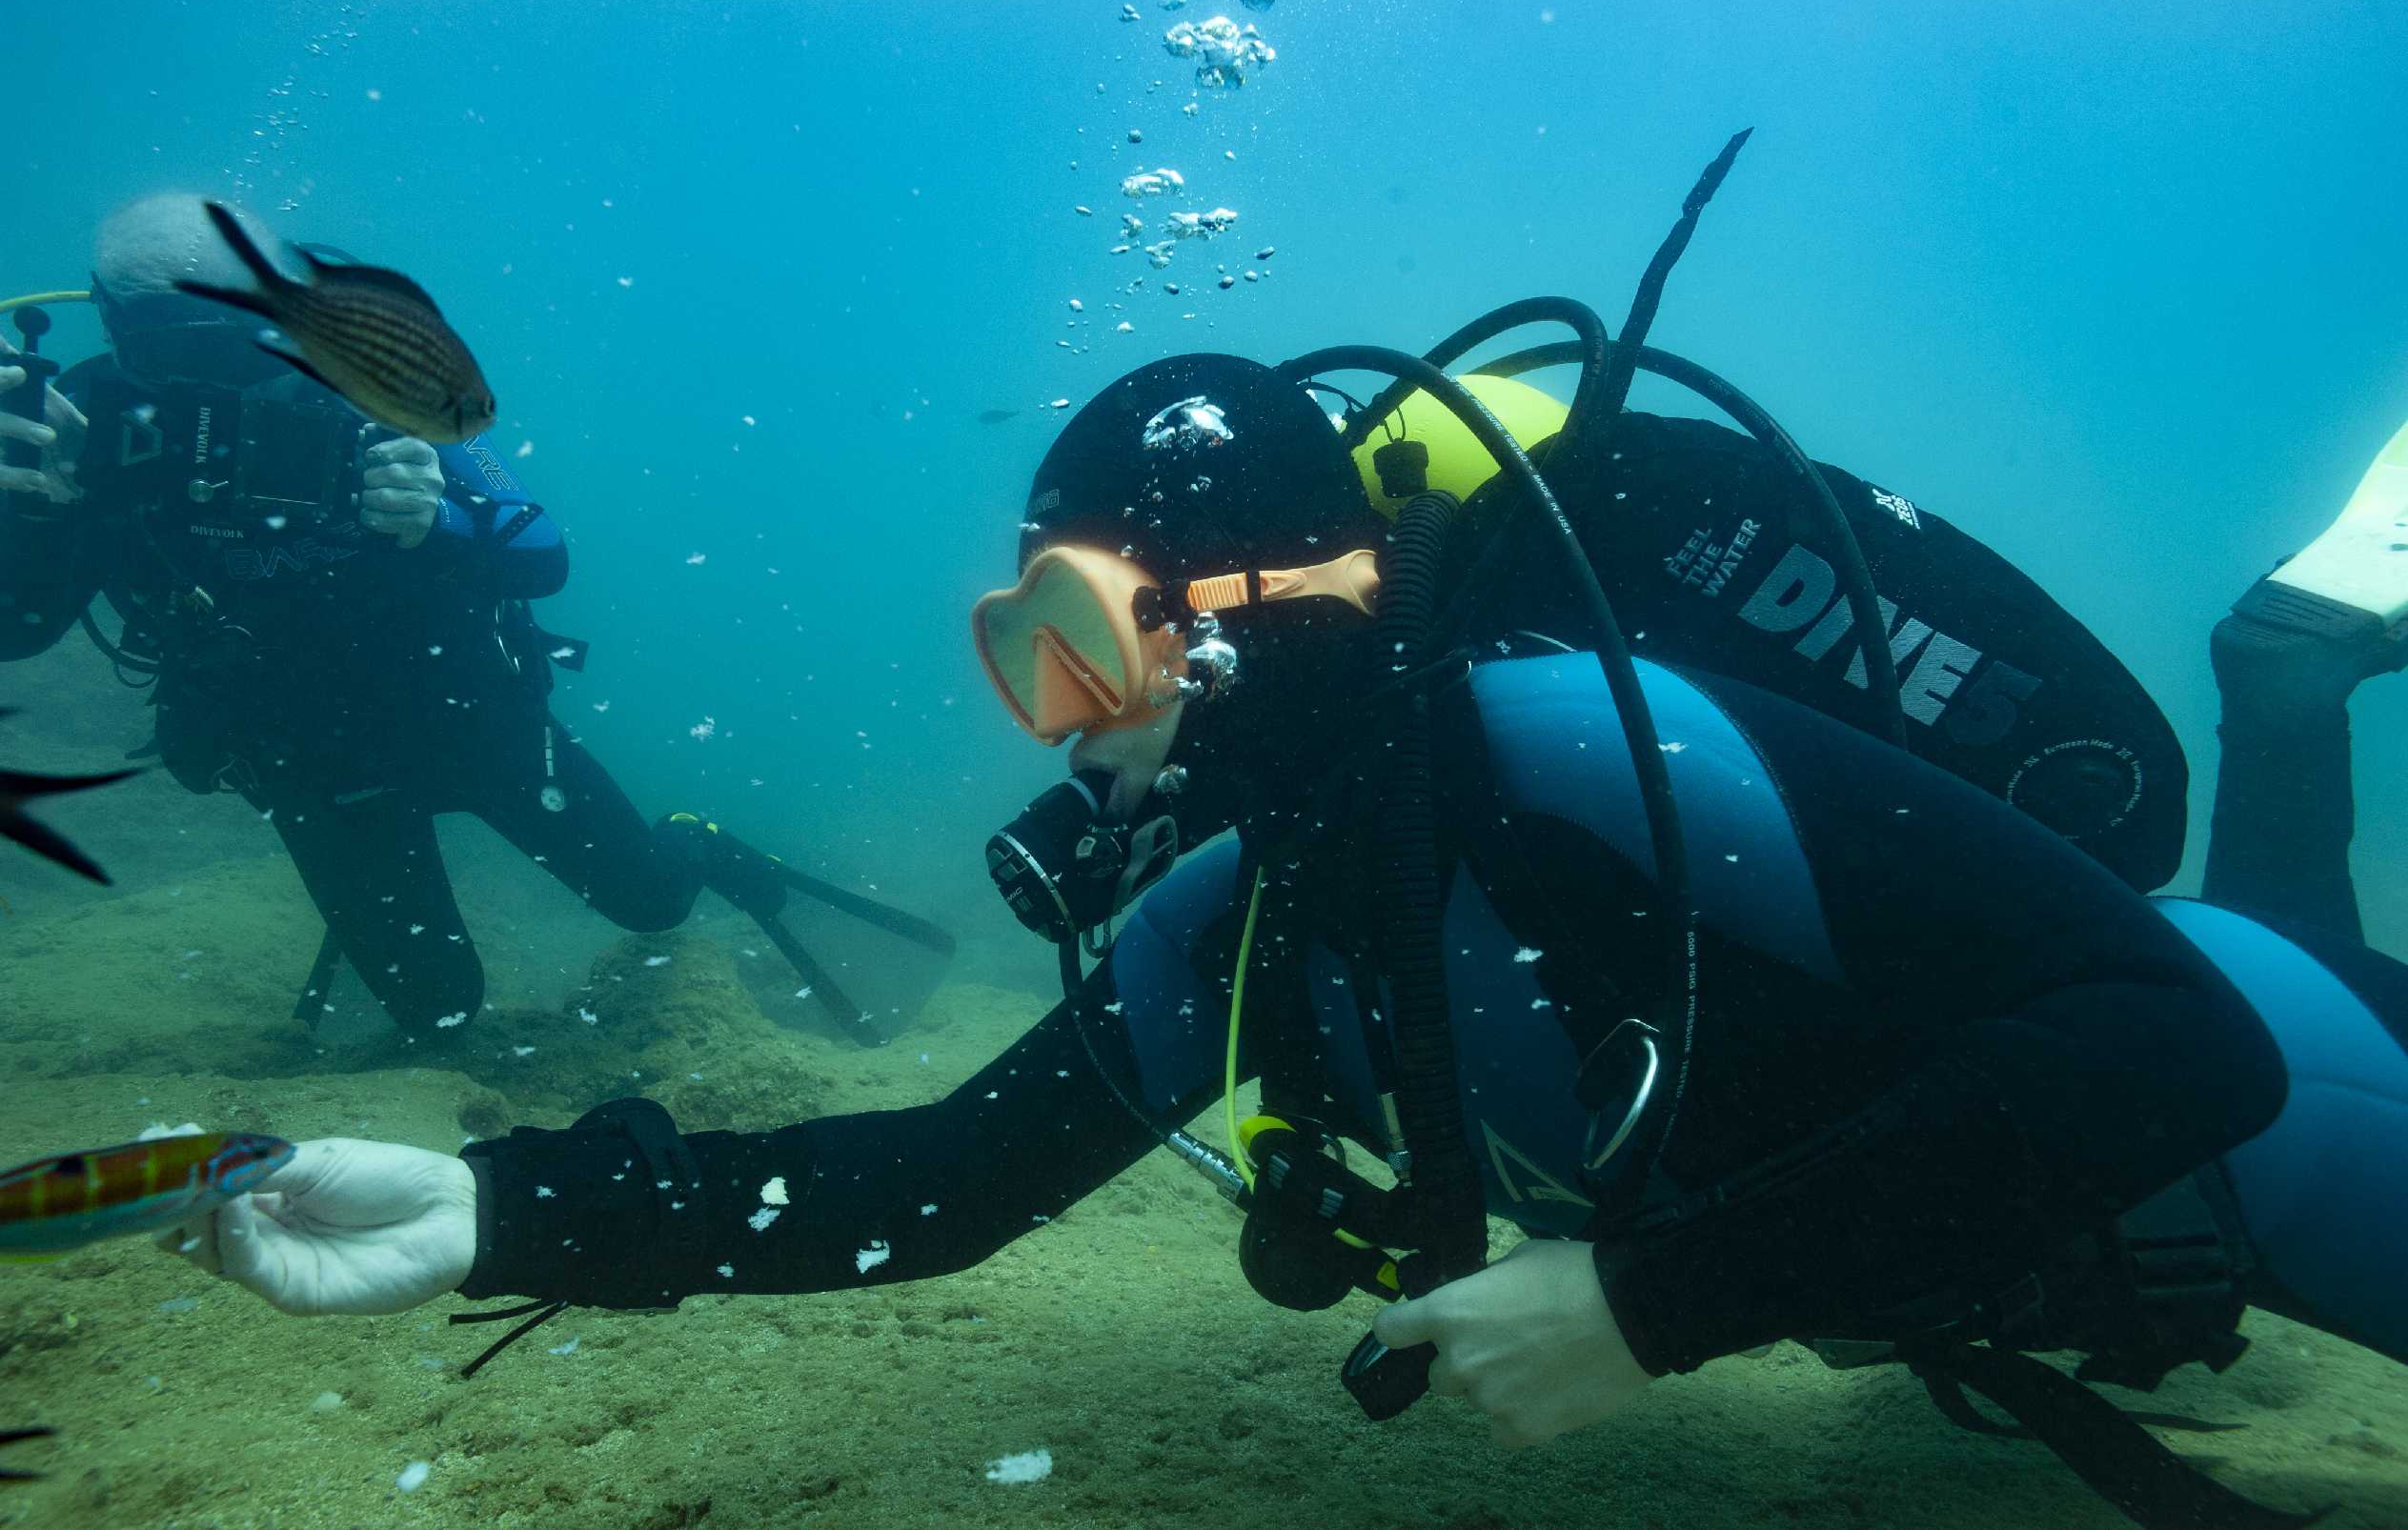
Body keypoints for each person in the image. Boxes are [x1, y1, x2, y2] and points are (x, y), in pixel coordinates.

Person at [151, 322, 2407, 1528]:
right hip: (2053, 1247)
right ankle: (2292, 674)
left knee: (2287, 965)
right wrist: (491, 1205)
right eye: (1021, 652)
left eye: (1086, 641)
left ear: (1255, 620)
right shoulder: (1259, 903)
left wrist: (1645, 1299)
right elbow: (929, 1186)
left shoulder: (1595, 753)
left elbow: (2171, 1043)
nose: (1063, 725)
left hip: (2303, 1115)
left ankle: (2293, 666)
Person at [0, 194, 945, 1041]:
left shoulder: (377, 380)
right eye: (174, 346)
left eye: (238, 334)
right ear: (113, 324)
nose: (219, 385)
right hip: (306, 764)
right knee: (437, 1007)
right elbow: (19, 630)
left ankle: (697, 842)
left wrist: (440, 523)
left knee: (652, 901)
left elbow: (543, 555)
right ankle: (390, 929)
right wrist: (30, 517)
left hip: (472, 717)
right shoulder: (77, 430)